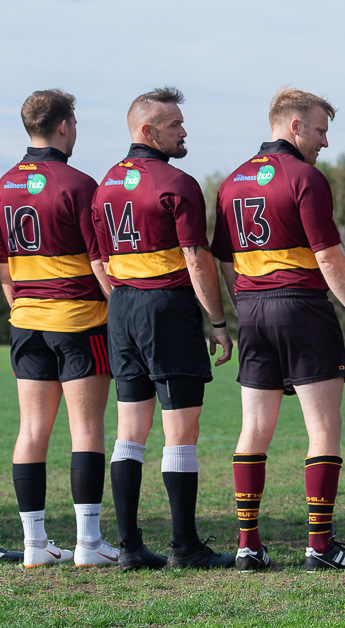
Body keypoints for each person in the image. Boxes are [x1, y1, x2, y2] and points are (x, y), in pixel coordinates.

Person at [211, 88, 345, 573]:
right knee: (323, 427)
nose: (325, 142)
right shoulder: (305, 177)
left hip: (253, 309)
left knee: (254, 429)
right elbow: (328, 255)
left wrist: (244, 303)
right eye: (321, 130)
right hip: (302, 307)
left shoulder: (231, 181)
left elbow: (223, 258)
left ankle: (248, 546)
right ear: (295, 126)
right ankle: (320, 548)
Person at [92, 87, 234, 570]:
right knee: (181, 430)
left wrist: (122, 303)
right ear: (147, 131)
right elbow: (197, 258)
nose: (184, 131)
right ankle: (184, 546)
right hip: (166, 307)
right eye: (175, 124)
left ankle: (130, 546)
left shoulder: (106, 183)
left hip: (123, 306)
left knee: (129, 431)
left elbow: (98, 259)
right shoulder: (177, 182)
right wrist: (217, 321)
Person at [1, 89, 113, 568]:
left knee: (31, 429)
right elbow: (100, 263)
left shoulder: (4, 185)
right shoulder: (79, 184)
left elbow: (4, 268)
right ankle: (88, 544)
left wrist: (25, 307)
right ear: (65, 125)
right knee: (85, 429)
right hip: (80, 321)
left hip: (25, 324)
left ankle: (34, 545)